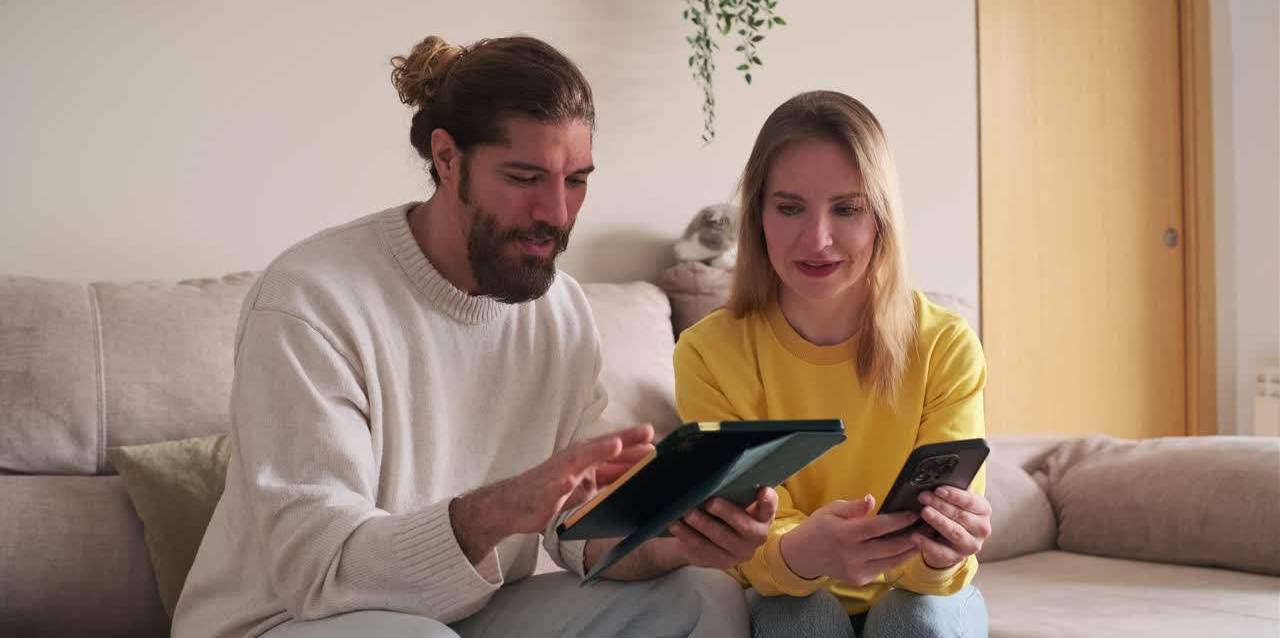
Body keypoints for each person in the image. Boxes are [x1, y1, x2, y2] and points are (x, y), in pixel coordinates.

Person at [172, 34, 778, 638]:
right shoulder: (311, 299)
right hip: (284, 621)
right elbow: (318, 571)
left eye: (576, 181)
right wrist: (498, 509)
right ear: (447, 158)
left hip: (463, 616)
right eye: (525, 177)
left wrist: (674, 539)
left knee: (701, 596)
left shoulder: (561, 310)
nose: (557, 213)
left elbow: (572, 527)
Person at [674, 91, 991, 638]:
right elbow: (745, 543)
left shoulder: (945, 345)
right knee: (798, 619)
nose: (817, 240)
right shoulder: (707, 353)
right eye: (789, 208)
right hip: (789, 590)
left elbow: (941, 552)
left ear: (881, 219)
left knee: (912, 619)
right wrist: (799, 553)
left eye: (847, 209)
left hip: (917, 594)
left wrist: (942, 553)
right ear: (757, 216)